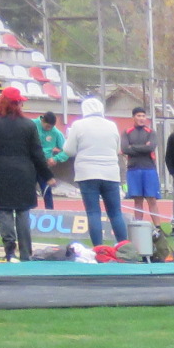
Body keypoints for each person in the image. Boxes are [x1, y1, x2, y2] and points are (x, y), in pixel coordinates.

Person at [0, 86, 51, 261]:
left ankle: (9, 251)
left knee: (5, 211)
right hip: (25, 173)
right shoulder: (29, 125)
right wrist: (47, 175)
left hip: (0, 173)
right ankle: (26, 252)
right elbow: (37, 153)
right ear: (18, 104)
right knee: (23, 212)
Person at [61, 96, 127, 247]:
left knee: (93, 213)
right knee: (115, 213)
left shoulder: (78, 125)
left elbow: (68, 150)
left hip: (87, 173)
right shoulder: (111, 125)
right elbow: (117, 149)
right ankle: (124, 248)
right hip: (110, 172)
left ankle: (98, 248)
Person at [121, 105, 161, 229]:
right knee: (137, 200)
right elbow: (124, 149)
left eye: (143, 116)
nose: (141, 118)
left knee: (151, 199)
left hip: (148, 169)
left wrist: (133, 147)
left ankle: (158, 228)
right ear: (133, 117)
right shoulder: (127, 132)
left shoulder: (151, 132)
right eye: (139, 115)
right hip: (133, 169)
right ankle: (139, 227)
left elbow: (150, 147)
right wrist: (141, 147)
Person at [36, 110, 63, 207]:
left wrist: (56, 158)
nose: (49, 129)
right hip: (30, 163)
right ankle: (26, 213)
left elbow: (66, 150)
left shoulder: (56, 133)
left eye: (51, 127)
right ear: (42, 120)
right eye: (47, 127)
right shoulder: (31, 125)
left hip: (44, 164)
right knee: (27, 191)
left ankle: (50, 212)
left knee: (46, 189)